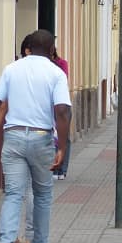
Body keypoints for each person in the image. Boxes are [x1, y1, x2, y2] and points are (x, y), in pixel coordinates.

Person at [0, 29, 71, 243]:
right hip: (41, 138)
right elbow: (62, 111)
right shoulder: (56, 73)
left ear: (28, 48)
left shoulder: (12, 69)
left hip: (12, 137)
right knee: (43, 194)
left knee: (14, 193)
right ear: (52, 50)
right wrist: (61, 147)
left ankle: (5, 242)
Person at [50, 45, 71, 180]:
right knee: (52, 138)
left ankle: (62, 169)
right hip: (48, 106)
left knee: (63, 137)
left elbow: (63, 80)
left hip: (61, 105)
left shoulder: (61, 64)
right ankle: (53, 168)